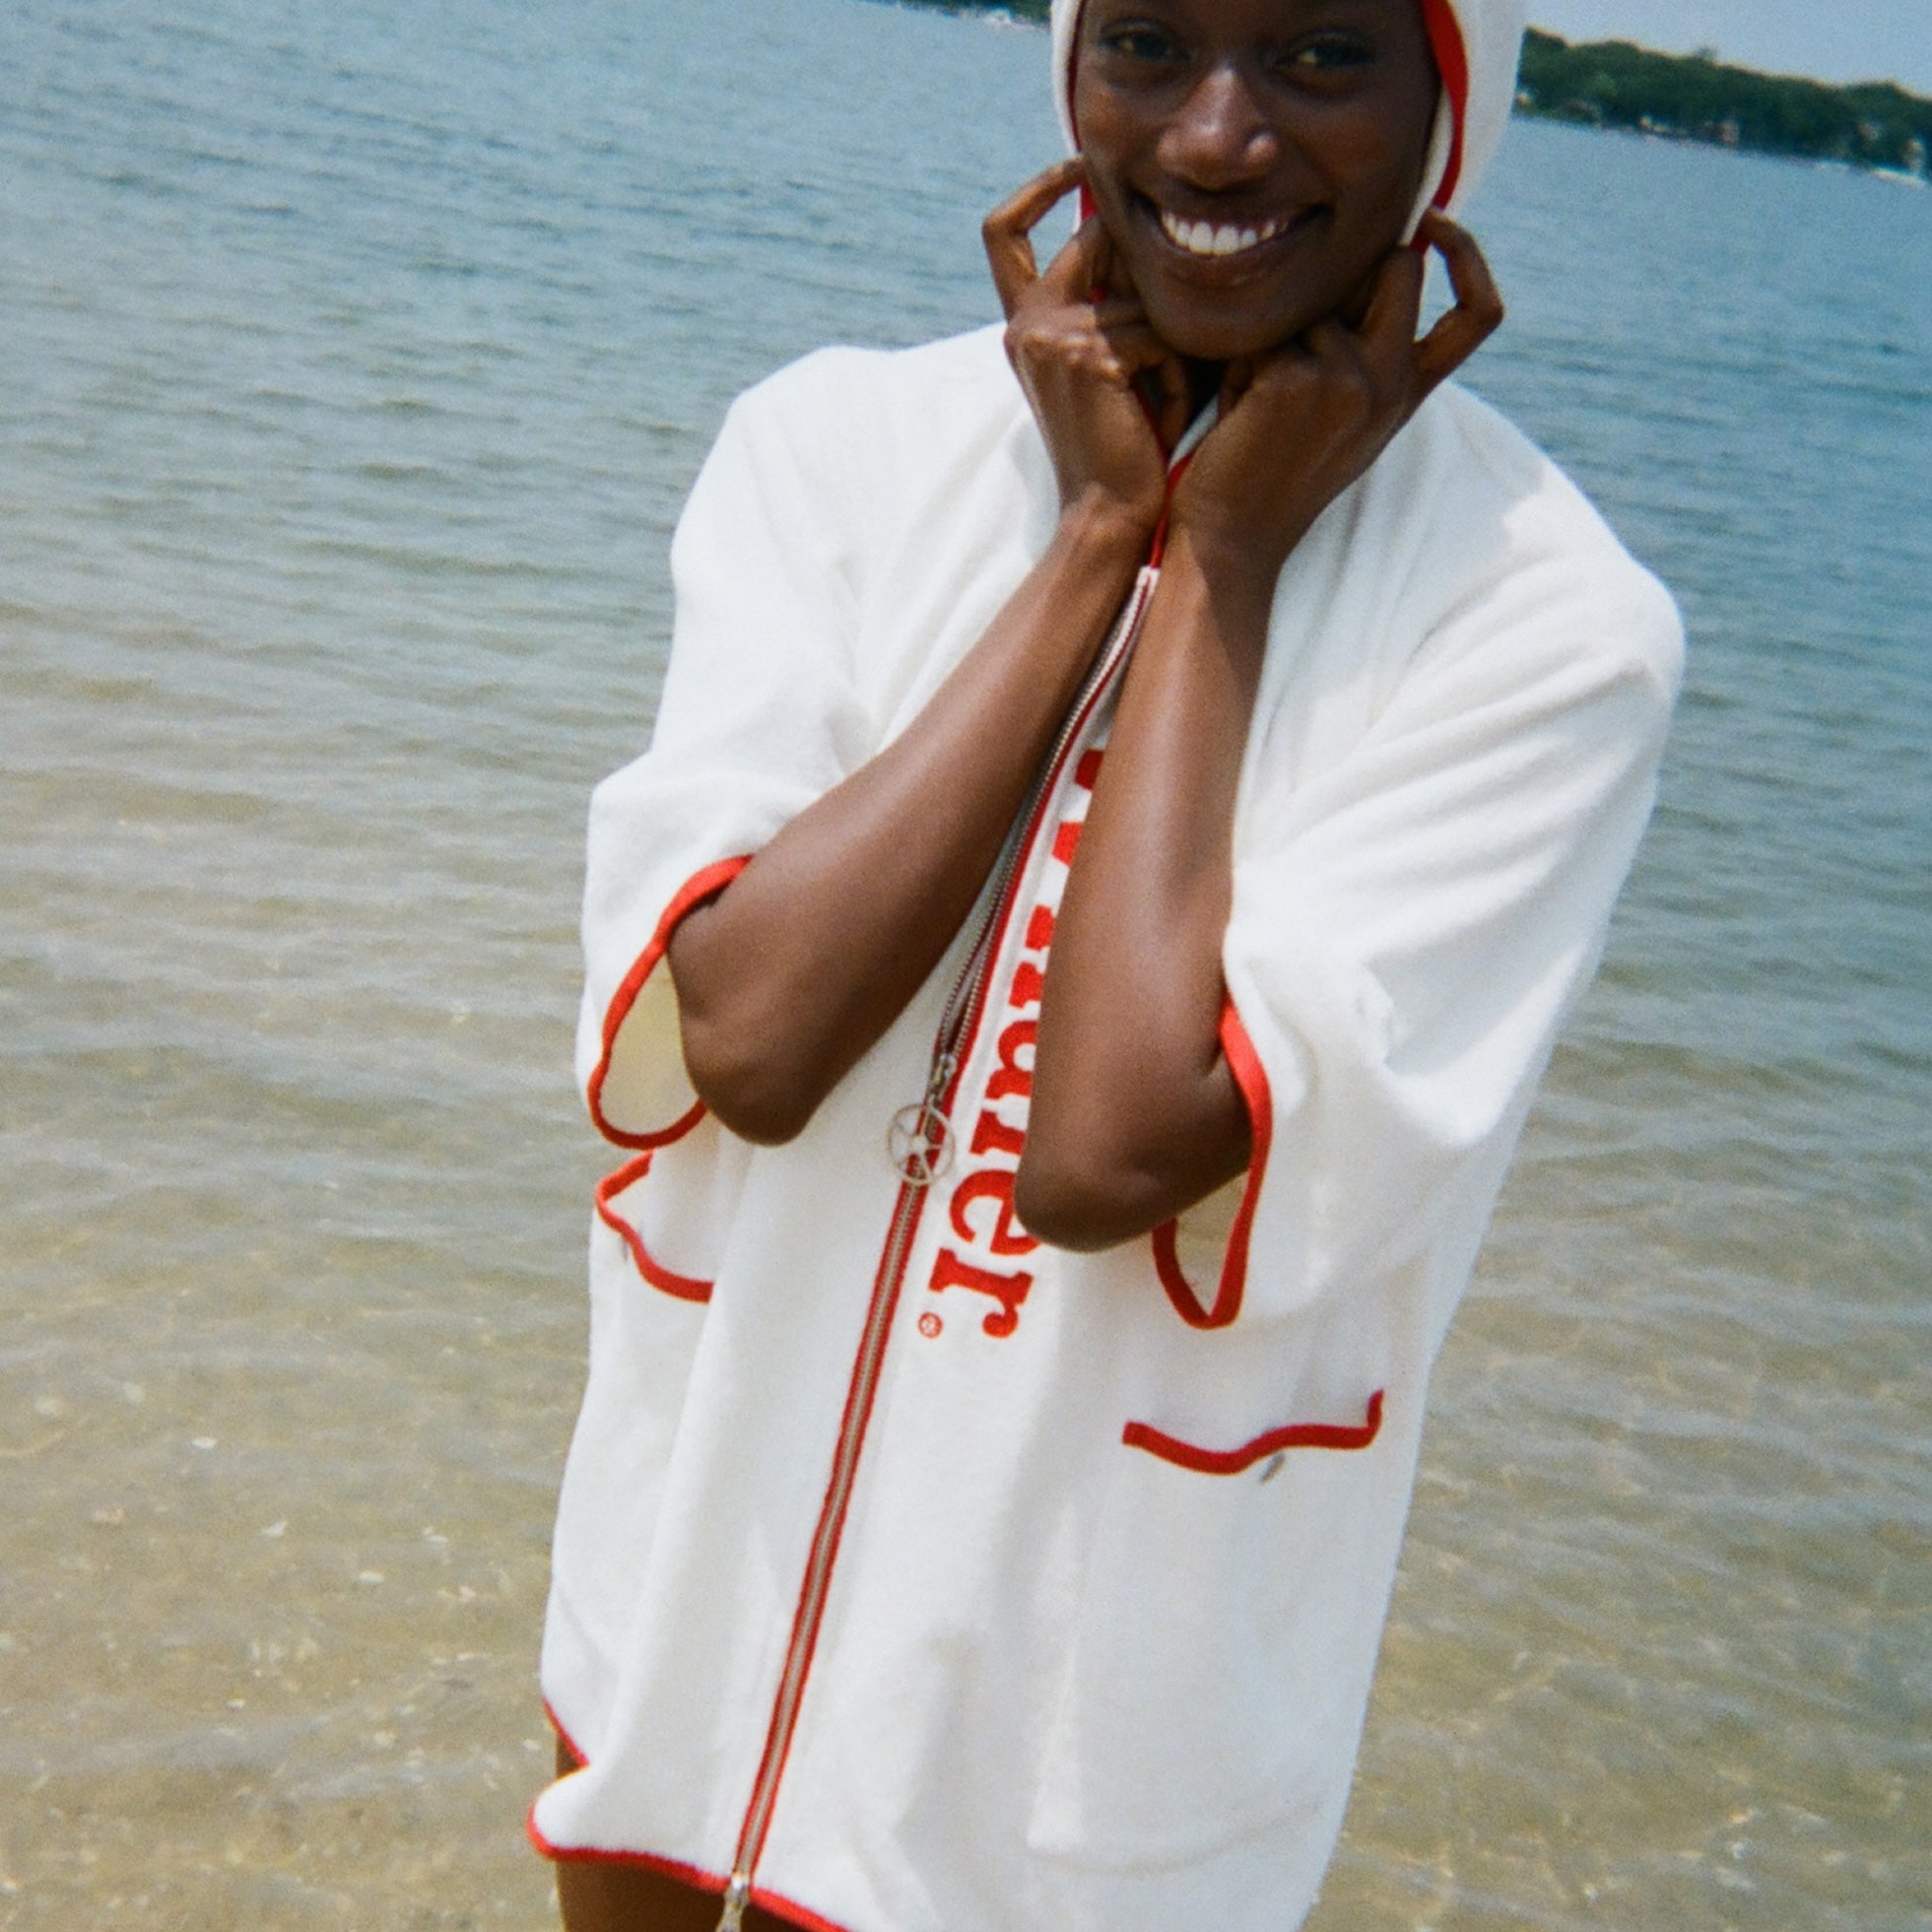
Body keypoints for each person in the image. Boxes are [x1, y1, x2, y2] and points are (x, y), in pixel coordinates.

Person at [528, 0, 1682, 1927]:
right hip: (686, 1593)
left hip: (1069, 1749)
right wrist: (1093, 542)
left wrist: (1215, 568)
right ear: (1065, 80)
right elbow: (749, 1034)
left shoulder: (1542, 630)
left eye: (1324, 58)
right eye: (1146, 40)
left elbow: (1108, 1148)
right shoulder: (837, 453)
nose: (1218, 139)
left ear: (1452, 120)